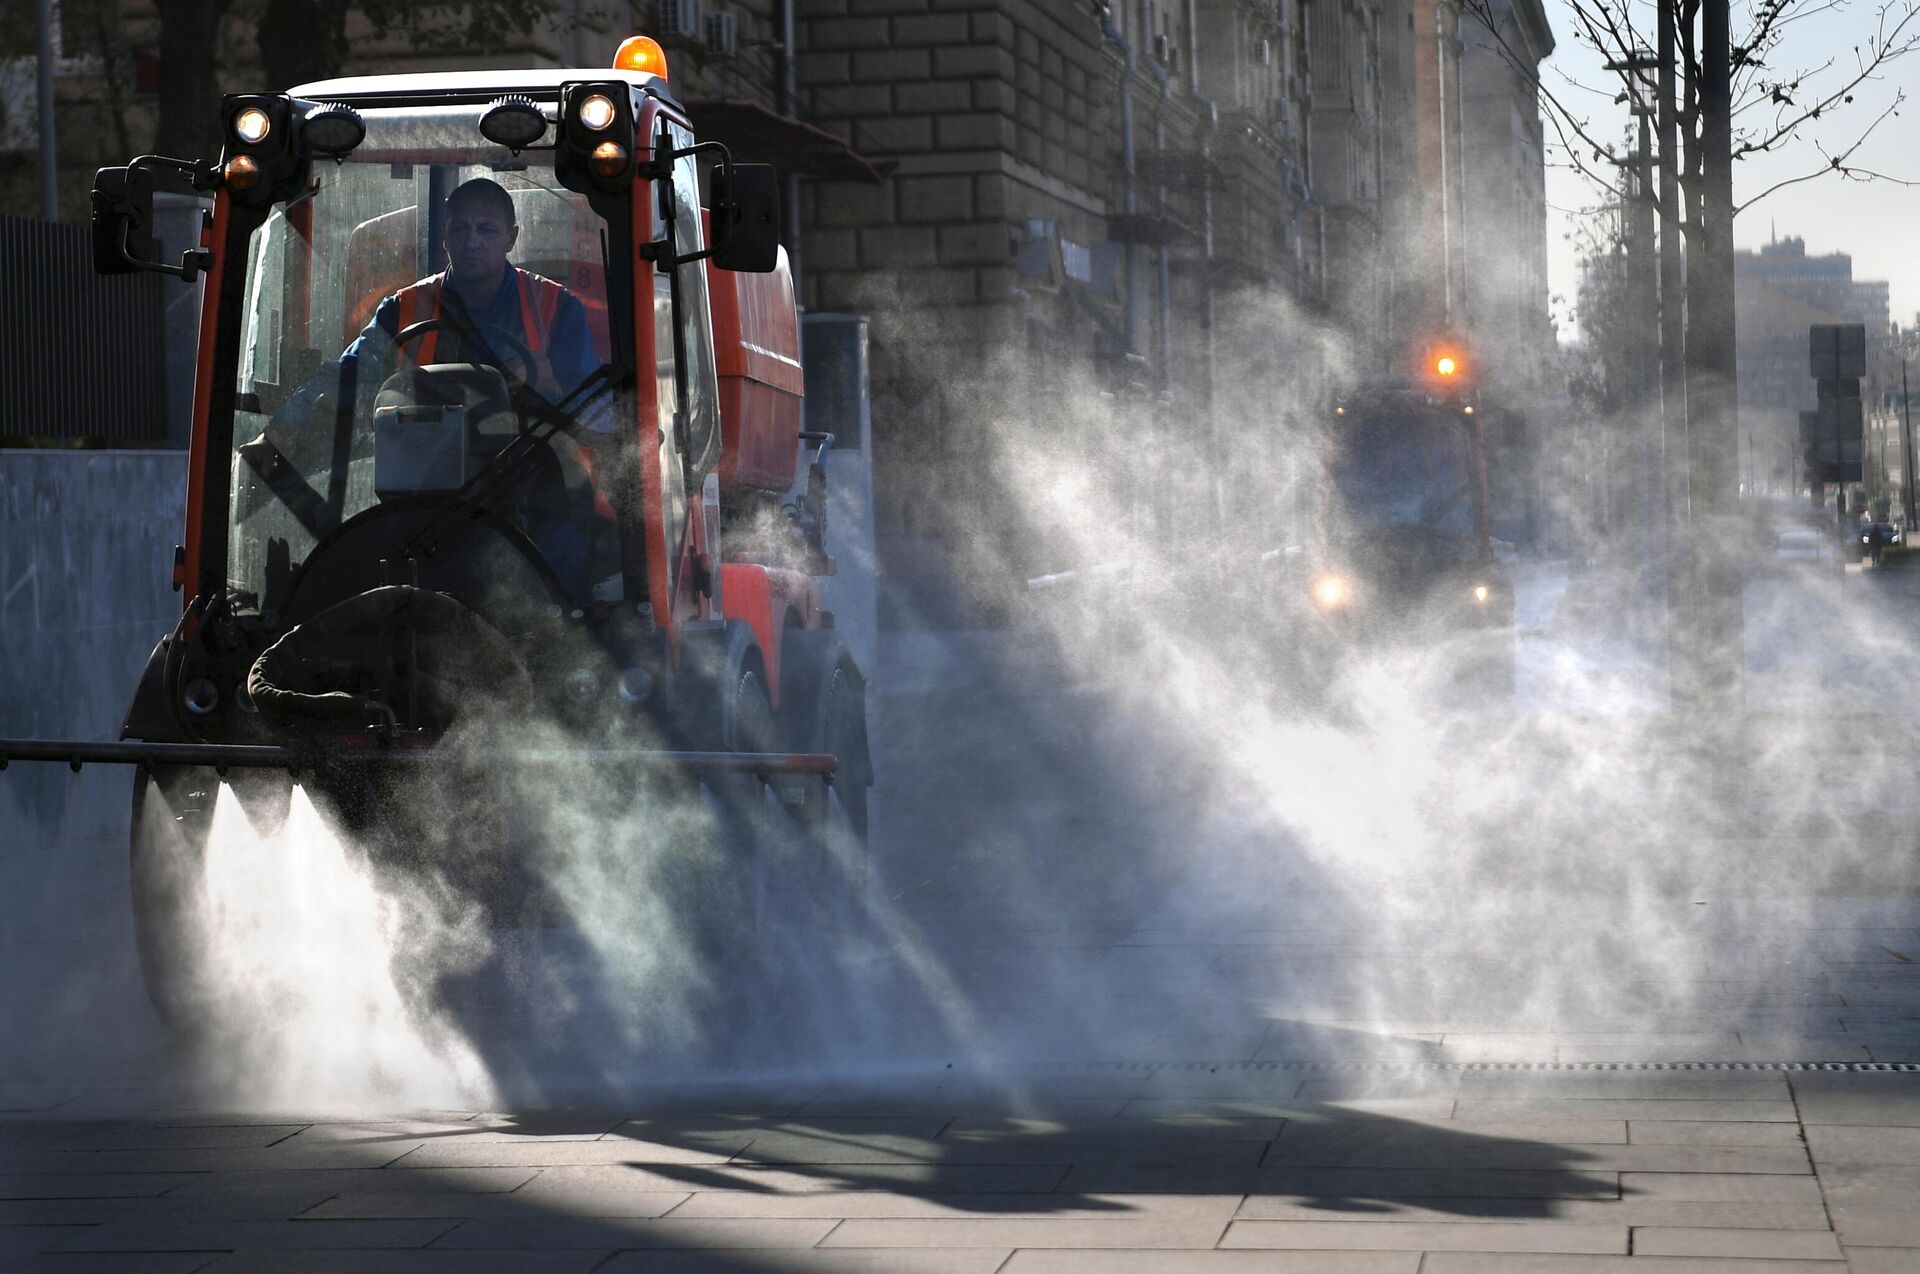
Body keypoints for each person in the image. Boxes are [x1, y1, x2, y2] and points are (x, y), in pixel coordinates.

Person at [346, 177, 601, 407]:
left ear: (511, 238)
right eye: (460, 229)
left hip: (528, 454)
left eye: (486, 229)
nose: (471, 242)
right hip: (425, 453)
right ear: (445, 237)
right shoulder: (402, 309)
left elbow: (595, 410)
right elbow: (344, 378)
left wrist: (545, 392)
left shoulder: (557, 308)